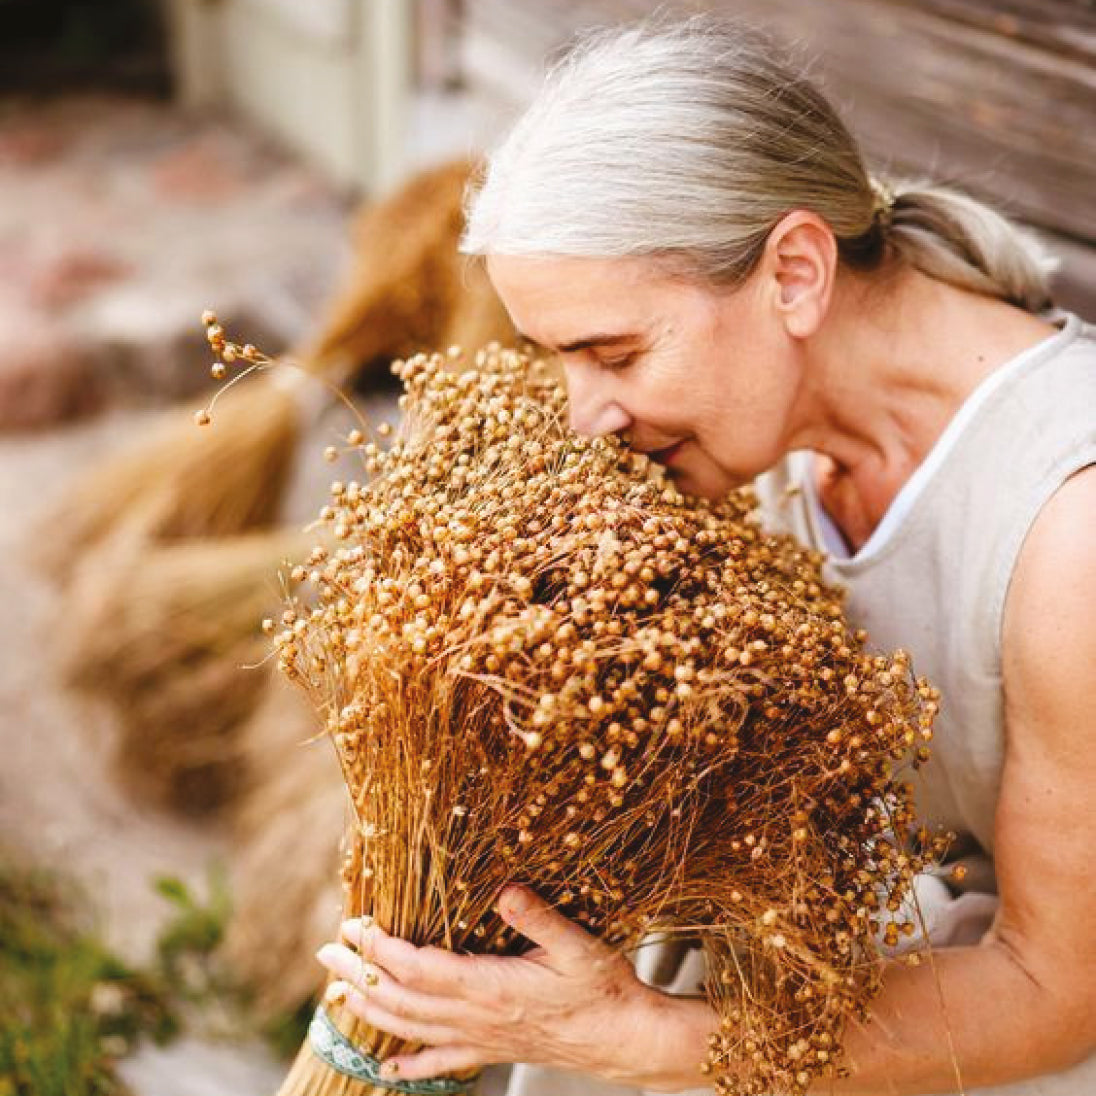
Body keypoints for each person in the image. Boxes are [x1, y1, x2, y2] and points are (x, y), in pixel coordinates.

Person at [314, 17, 1096, 1095]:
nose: (584, 419)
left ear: (793, 274)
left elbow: (1050, 999)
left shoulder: (1069, 536)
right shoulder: (741, 438)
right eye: (556, 359)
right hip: (792, 965)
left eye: (616, 353)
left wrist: (637, 1035)